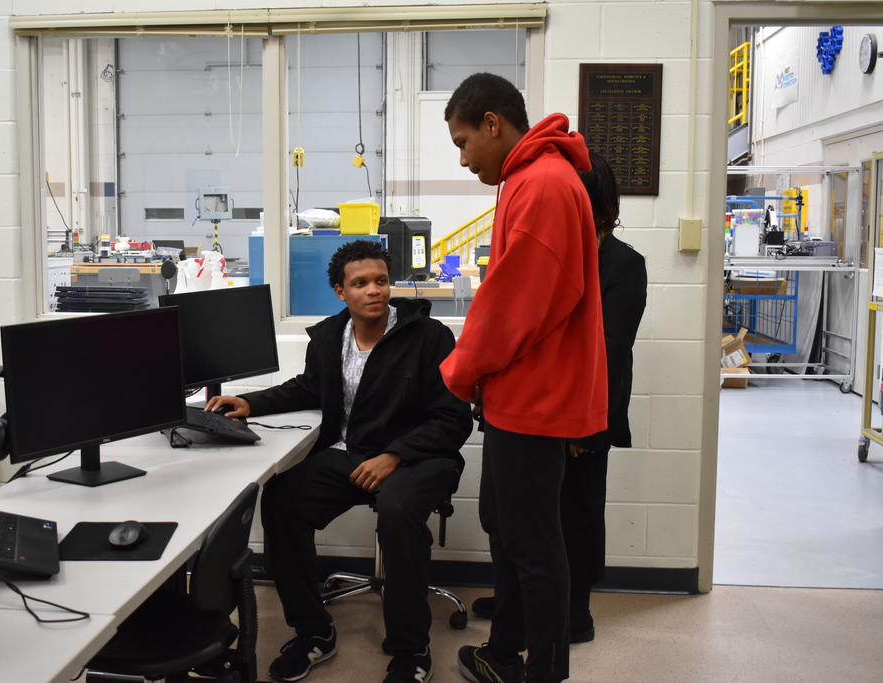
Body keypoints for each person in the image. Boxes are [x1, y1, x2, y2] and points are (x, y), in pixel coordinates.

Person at [207, 239, 473, 683]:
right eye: (361, 283)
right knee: (281, 498)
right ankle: (313, 632)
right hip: (353, 456)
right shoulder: (330, 336)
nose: (375, 291)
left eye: (382, 281)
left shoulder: (429, 337)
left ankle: (411, 650)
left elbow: (453, 418)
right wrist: (249, 402)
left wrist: (396, 455)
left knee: (397, 509)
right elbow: (308, 388)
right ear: (340, 291)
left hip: (420, 458)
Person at [440, 73, 607, 683]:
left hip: (535, 399)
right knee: (513, 534)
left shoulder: (540, 183)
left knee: (534, 545)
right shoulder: (531, 178)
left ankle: (543, 672)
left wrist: (458, 371)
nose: (462, 159)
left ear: (493, 123)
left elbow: (512, 305)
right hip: (523, 396)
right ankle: (503, 652)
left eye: (463, 142)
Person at [470, 151, 649, 646]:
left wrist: (586, 427)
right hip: (522, 412)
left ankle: (573, 615)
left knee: (573, 520)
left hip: (579, 418)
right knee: (502, 516)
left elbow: (611, 352)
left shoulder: (623, 264)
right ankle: (516, 602)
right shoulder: (543, 251)